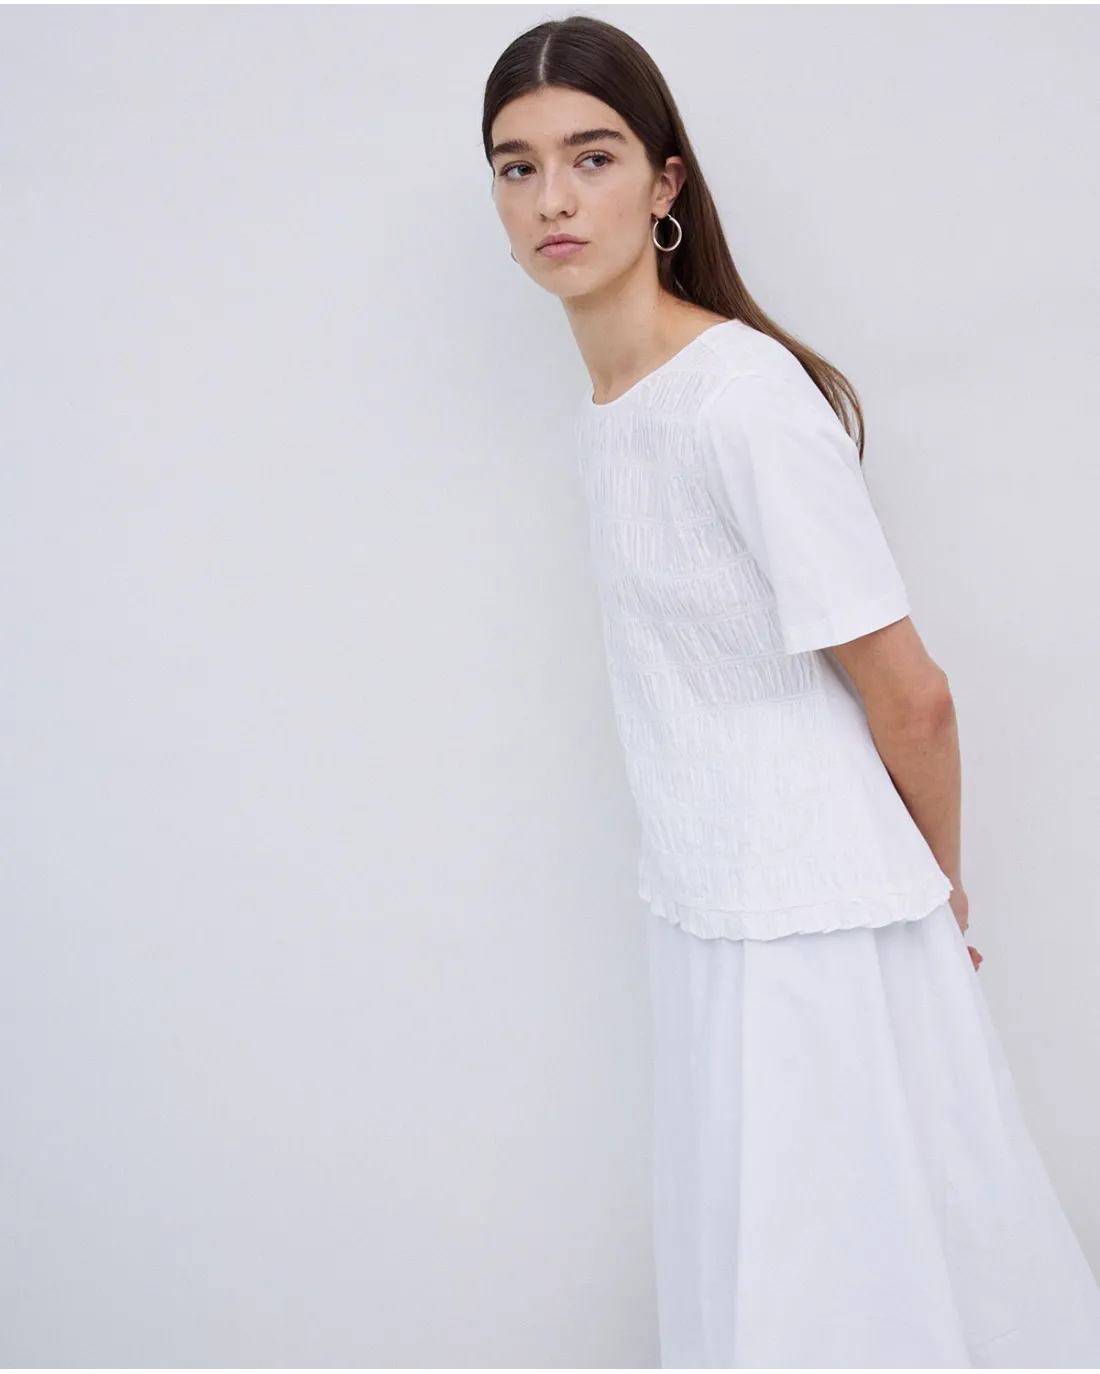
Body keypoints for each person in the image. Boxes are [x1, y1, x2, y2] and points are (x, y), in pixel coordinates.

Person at [482, 14, 1100, 1374]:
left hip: (822, 928)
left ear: (666, 183)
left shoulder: (740, 399)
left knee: (847, 1291)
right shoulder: (611, 409)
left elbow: (913, 695)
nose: (553, 198)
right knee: (770, 1282)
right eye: (518, 168)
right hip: (708, 908)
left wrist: (938, 896)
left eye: (592, 156)